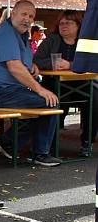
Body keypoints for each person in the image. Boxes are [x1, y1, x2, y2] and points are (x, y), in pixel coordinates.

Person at [0, 0, 61, 166]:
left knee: (46, 103)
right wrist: (40, 89)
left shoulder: (22, 34)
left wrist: (32, 66)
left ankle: (7, 142)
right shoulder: (6, 32)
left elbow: (20, 63)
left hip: (7, 90)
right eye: (24, 14)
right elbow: (14, 67)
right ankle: (39, 153)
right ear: (13, 14)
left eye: (31, 16)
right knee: (50, 102)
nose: (28, 19)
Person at [34, 11, 97, 156]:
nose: (64, 26)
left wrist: (70, 64)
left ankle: (87, 143)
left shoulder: (85, 42)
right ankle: (50, 144)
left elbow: (92, 62)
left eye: (68, 23)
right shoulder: (52, 40)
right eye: (61, 23)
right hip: (55, 83)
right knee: (56, 99)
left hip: (82, 84)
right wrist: (53, 63)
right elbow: (36, 60)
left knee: (95, 100)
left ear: (78, 25)